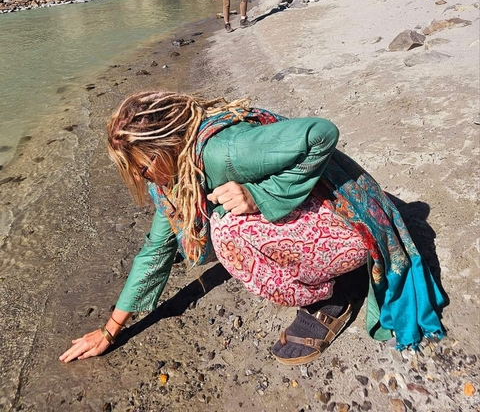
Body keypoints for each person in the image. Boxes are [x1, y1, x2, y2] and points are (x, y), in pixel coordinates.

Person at [59, 92, 445, 366]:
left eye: (142, 167)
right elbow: (156, 251)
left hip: (357, 218)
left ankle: (334, 296)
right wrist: (109, 331)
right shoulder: (178, 175)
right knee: (222, 225)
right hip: (326, 208)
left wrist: (259, 197)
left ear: (164, 145)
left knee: (228, 233)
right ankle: (330, 272)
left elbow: (321, 132)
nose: (144, 180)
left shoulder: (220, 151)